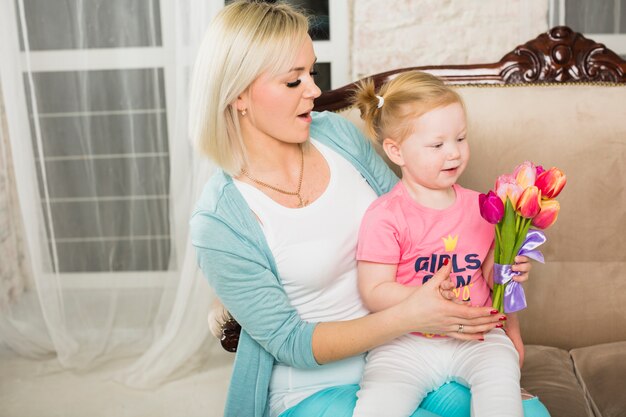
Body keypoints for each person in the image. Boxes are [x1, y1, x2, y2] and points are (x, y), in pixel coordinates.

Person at [188, 1, 548, 417]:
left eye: (312, 73)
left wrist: (497, 265)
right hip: (312, 388)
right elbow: (291, 343)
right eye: (293, 82)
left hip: (408, 355)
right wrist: (412, 314)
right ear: (239, 97)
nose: (315, 91)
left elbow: (417, 226)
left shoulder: (336, 136)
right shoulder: (219, 219)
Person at [351, 71, 546, 417]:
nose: (454, 153)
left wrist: (507, 267)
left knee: (501, 382)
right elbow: (374, 289)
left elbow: (489, 274)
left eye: (460, 138)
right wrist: (427, 301)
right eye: (438, 145)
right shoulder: (385, 215)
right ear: (396, 151)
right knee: (378, 403)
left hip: (476, 335)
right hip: (406, 341)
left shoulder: (483, 207)